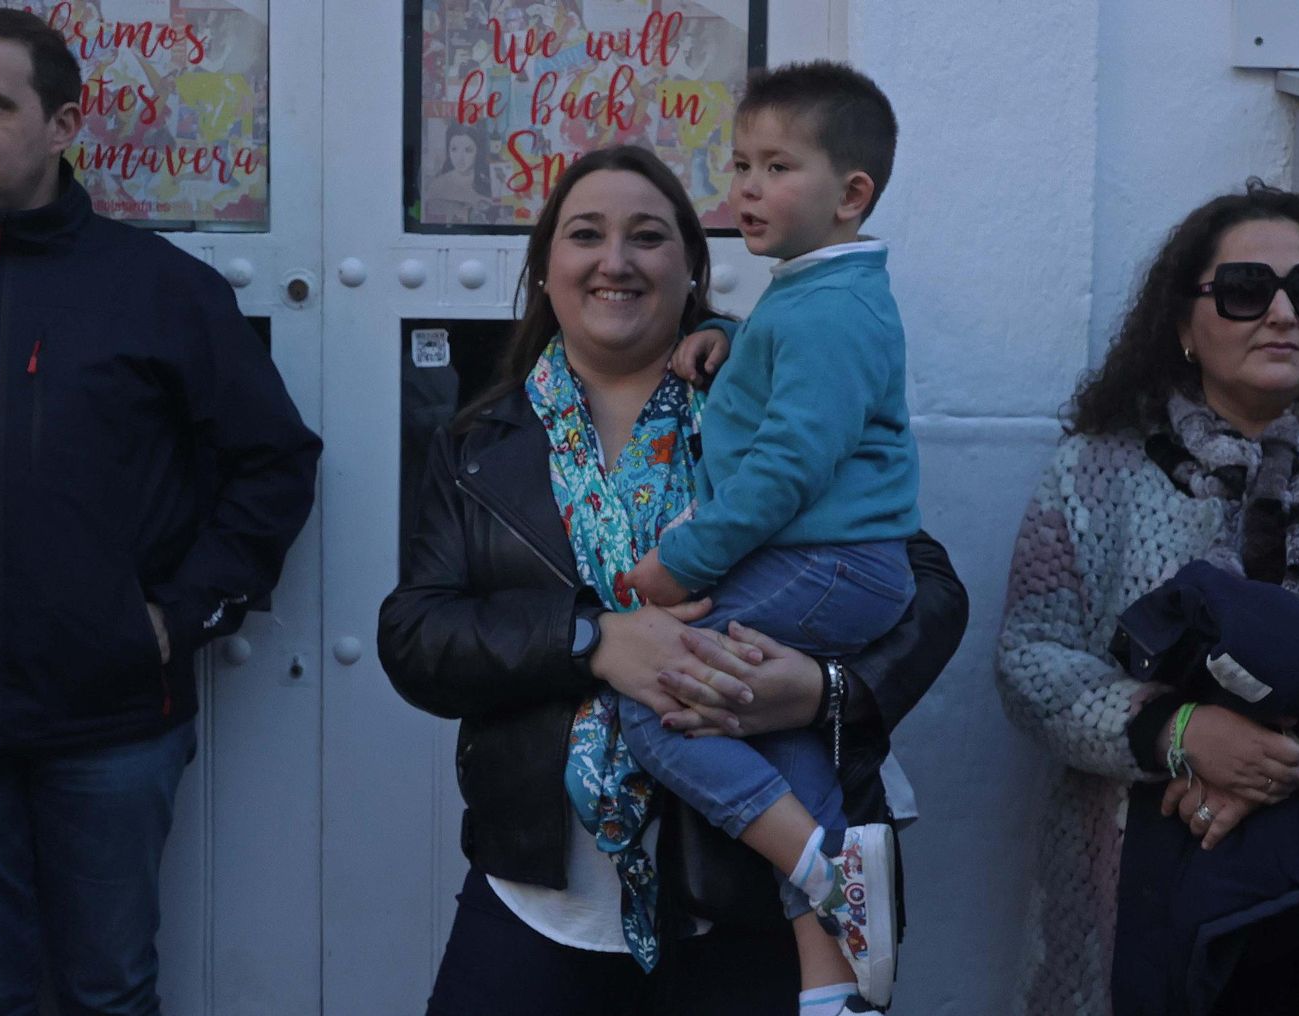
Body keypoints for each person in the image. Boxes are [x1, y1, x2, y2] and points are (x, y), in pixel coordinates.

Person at [378, 144, 968, 1016]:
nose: (615, 261)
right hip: (537, 899)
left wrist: (819, 690)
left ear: (692, 267)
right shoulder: (476, 445)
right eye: (586, 235)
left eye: (648, 237)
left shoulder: (765, 403)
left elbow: (921, 581)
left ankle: (828, 891)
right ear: (546, 268)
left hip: (742, 906)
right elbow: (418, 635)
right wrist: (595, 640)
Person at [0, 10, 321, 1015]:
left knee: (110, 991)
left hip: (110, 719)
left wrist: (176, 612)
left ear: (64, 122)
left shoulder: (162, 292)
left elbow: (273, 463)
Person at [996, 180, 1299, 1015]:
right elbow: (1032, 657)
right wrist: (1179, 732)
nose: (1282, 314)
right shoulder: (1097, 468)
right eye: (1246, 290)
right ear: (1183, 323)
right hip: (1143, 877)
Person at [621, 61, 917, 1009]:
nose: (745, 187)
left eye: (776, 166)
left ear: (851, 194)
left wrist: (684, 563)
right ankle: (833, 989)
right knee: (780, 738)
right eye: (740, 163)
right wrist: (730, 341)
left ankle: (828, 872)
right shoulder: (810, 296)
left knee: (659, 692)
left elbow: (792, 463)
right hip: (828, 567)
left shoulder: (827, 310)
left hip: (828, 565)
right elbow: (793, 382)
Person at [424, 123, 494, 224]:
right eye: (454, 149)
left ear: (478, 152)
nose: (460, 158)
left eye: (468, 150)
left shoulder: (489, 184)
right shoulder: (437, 185)